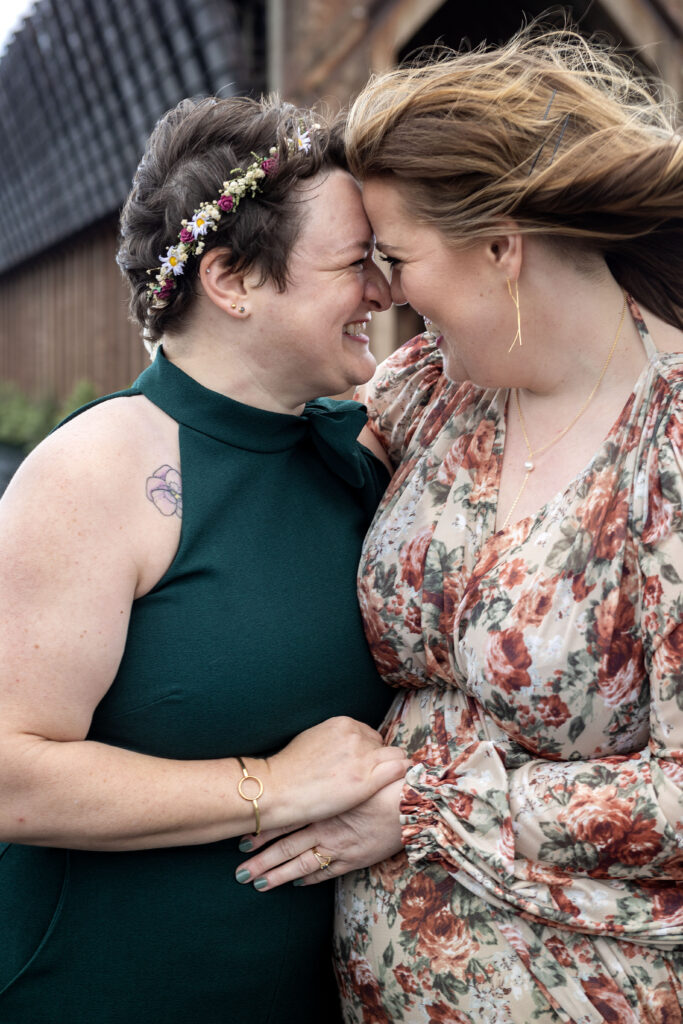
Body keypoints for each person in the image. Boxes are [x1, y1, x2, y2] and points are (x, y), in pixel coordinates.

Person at [234, 25, 683, 1023]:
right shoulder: (433, 392)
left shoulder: (669, 447)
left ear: (499, 247)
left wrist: (428, 807)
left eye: (395, 257)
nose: (383, 294)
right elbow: (257, 443)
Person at [0, 95, 408, 1024]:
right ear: (230, 278)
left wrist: (402, 802)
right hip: (98, 994)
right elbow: (6, 774)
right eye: (355, 264)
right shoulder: (98, 472)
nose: (386, 294)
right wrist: (270, 787)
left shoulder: (371, 450)